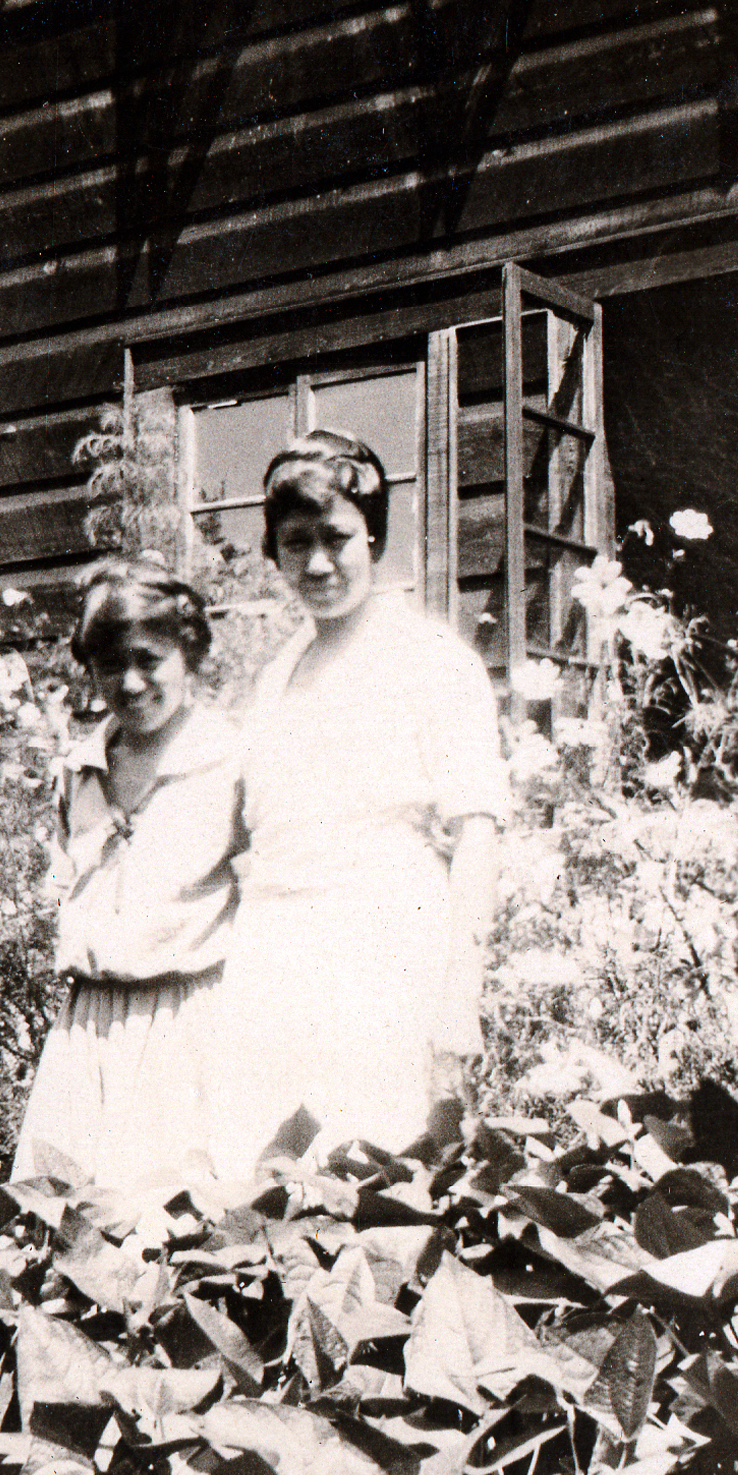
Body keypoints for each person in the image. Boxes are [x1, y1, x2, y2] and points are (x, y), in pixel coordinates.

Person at [207, 430, 502, 1180]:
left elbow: (477, 834)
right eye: (295, 543)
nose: (317, 564)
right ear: (273, 551)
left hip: (385, 955)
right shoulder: (276, 678)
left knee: (378, 1178)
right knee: (259, 1183)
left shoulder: (432, 662)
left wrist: (459, 997)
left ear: (372, 533)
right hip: (275, 963)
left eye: (335, 538)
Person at [11, 561, 241, 1192]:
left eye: (149, 660)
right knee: (66, 1215)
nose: (131, 682)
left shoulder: (229, 761)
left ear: (187, 652)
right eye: (111, 665)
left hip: (188, 1023)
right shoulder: (79, 770)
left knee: (172, 1216)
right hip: (87, 1026)